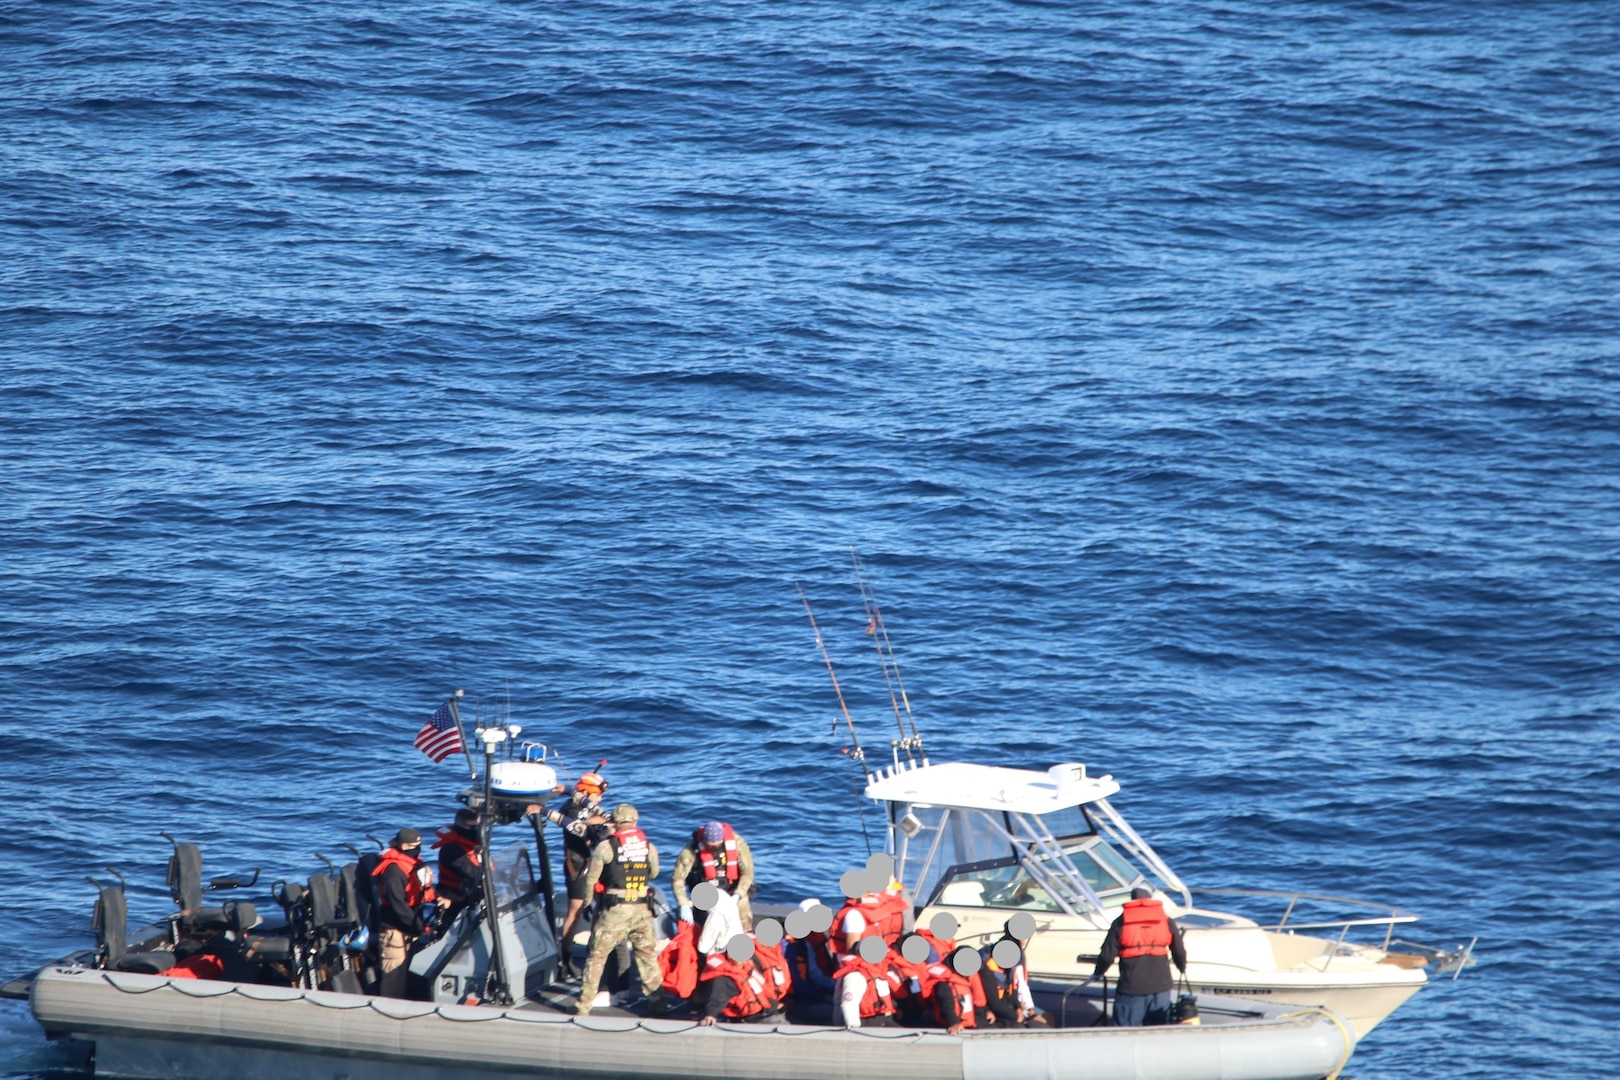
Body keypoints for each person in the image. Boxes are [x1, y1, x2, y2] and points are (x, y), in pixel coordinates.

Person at [574, 803, 668, 1014]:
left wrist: (588, 903)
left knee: (597, 957)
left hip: (615, 912)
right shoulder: (647, 846)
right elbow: (653, 873)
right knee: (647, 958)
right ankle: (659, 1004)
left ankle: (583, 1006)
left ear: (615, 823)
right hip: (642, 910)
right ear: (635, 822)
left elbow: (591, 879)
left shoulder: (606, 847)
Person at [533, 772, 610, 976]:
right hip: (578, 867)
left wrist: (569, 790)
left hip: (595, 866)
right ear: (586, 792)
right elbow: (577, 827)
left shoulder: (585, 805)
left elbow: (600, 815)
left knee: (598, 911)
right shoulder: (573, 810)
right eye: (597, 795)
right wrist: (544, 810)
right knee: (574, 913)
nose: (599, 799)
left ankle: (593, 952)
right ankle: (565, 959)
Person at [1091, 885, 1188, 1027]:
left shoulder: (1120, 923)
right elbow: (1179, 951)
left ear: (1132, 900)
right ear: (1149, 899)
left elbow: (1107, 956)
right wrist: (1182, 967)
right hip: (1161, 986)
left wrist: (1098, 973)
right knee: (1158, 1031)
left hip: (1131, 988)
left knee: (1126, 1031)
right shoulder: (1165, 921)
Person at [371, 828, 449, 998]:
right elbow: (397, 904)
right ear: (403, 846)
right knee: (394, 975)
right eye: (414, 846)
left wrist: (437, 898)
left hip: (411, 926)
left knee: (412, 970)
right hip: (394, 929)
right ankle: (389, 1009)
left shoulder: (413, 864)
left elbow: (421, 890)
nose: (418, 849)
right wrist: (419, 926)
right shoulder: (393, 871)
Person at [671, 820, 755, 930]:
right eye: (709, 846)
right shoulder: (692, 849)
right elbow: (678, 879)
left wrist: (738, 894)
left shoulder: (737, 844)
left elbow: (747, 872)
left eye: (716, 846)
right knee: (705, 928)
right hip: (705, 893)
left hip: (733, 889)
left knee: (743, 919)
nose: (712, 850)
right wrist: (683, 904)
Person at [696, 933, 791, 1026]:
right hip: (754, 1019)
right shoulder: (724, 980)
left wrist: (775, 1004)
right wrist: (710, 1015)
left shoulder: (747, 968)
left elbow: (763, 990)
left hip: (768, 1011)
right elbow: (717, 999)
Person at [977, 923, 1042, 1027]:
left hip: (1009, 1004)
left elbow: (1012, 988)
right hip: (994, 1008)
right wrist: (1025, 1012)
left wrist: (1019, 1008)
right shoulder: (990, 963)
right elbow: (994, 998)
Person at [432, 808, 482, 924]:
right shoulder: (452, 850)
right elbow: (474, 873)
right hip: (455, 901)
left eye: (477, 827)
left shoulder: (473, 846)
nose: (475, 831)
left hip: (472, 897)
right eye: (472, 827)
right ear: (460, 824)